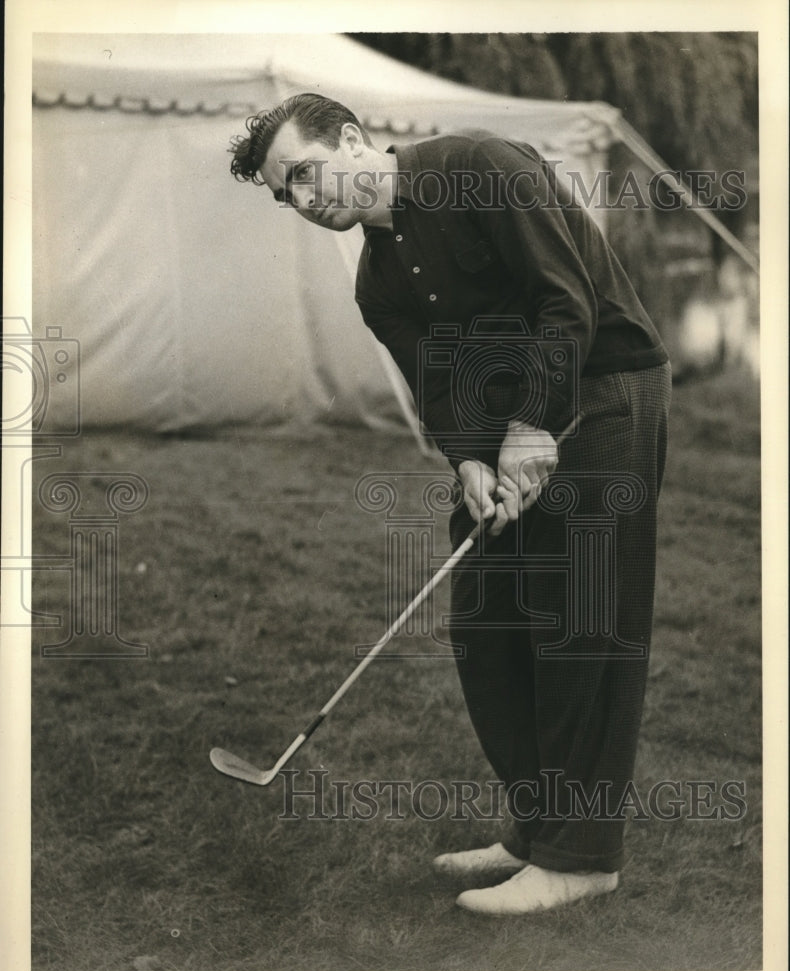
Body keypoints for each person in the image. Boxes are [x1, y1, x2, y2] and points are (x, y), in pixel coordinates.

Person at [229, 93, 671, 915]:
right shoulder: (379, 282)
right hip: (510, 425)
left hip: (607, 388)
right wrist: (468, 458)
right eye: (285, 194)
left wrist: (533, 427)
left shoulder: (478, 168)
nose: (303, 199)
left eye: (303, 172)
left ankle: (583, 856)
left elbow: (564, 300)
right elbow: (441, 387)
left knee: (580, 617)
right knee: (485, 624)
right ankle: (537, 829)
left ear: (354, 138)